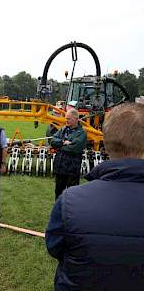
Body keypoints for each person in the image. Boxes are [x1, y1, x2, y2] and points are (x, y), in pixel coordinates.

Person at [46, 103, 144, 291]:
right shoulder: (69, 200)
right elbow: (55, 141)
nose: (66, 121)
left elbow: (55, 247)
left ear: (105, 143)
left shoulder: (70, 201)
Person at [51, 108, 86, 200]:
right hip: (60, 167)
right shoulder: (63, 129)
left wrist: (60, 146)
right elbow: (52, 141)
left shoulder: (81, 133)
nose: (66, 120)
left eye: (68, 119)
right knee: (58, 193)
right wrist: (63, 142)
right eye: (66, 118)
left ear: (76, 119)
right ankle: (59, 211)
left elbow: (74, 148)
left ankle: (70, 213)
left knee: (72, 195)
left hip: (72, 169)